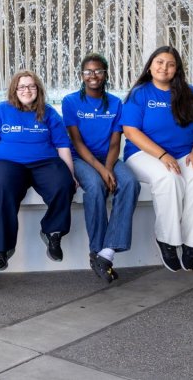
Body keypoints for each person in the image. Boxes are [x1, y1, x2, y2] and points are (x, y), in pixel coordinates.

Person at [121, 45, 193, 272]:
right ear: (151, 65)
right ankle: (167, 239)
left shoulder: (191, 94)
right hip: (144, 154)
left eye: (170, 64)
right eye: (159, 62)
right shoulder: (139, 94)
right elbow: (131, 131)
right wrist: (162, 155)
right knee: (169, 178)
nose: (164, 67)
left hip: (184, 154)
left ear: (177, 69)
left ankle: (190, 243)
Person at [0, 70, 76, 271]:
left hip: (44, 161)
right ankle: (2, 250)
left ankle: (52, 233)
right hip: (8, 163)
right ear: (14, 90)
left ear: (38, 89)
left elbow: (62, 145)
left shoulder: (49, 113)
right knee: (2, 186)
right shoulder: (0, 111)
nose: (26, 90)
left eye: (31, 86)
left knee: (64, 184)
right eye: (22, 86)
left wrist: (71, 174)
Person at [62, 53, 140, 283]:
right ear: (81, 75)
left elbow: (116, 142)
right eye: (88, 71)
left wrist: (108, 168)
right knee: (95, 187)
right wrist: (102, 171)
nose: (93, 75)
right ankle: (96, 250)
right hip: (80, 158)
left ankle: (108, 252)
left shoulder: (116, 103)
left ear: (105, 74)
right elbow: (76, 141)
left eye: (98, 71)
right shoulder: (71, 101)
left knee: (130, 183)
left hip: (109, 158)